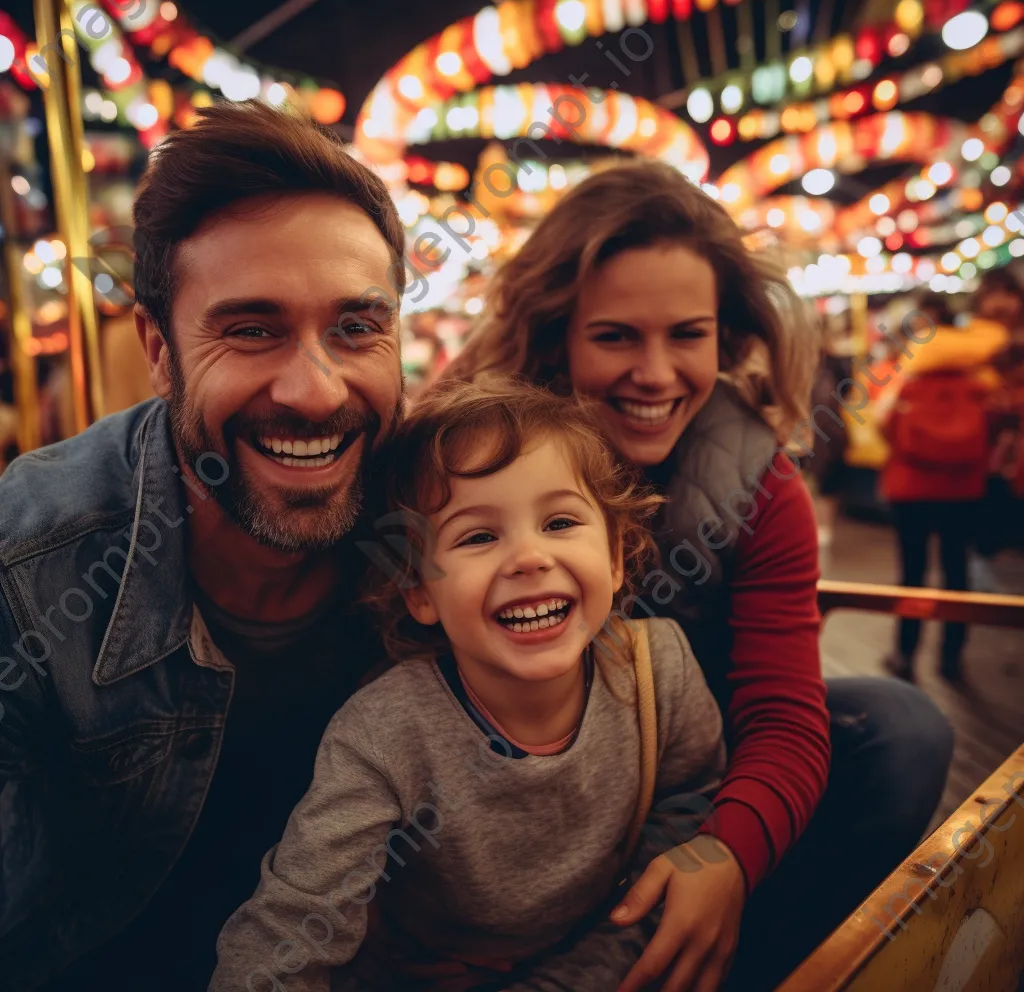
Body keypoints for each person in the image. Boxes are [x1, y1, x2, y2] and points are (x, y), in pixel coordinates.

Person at [444, 160, 955, 991]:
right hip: (499, 800)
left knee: (898, 726)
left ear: (730, 335)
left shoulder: (762, 483)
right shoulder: (463, 455)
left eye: (687, 334)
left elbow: (784, 713)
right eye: (615, 336)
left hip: (682, 787)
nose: (655, 374)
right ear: (556, 334)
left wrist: (725, 854)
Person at [0, 101, 408, 991]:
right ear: (158, 348)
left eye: (356, 326)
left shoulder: (449, 514)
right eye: (252, 329)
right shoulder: (30, 561)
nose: (314, 389)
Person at [211, 376, 727, 992]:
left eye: (561, 522)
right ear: (420, 592)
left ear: (615, 557)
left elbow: (689, 813)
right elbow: (290, 929)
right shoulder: (384, 733)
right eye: (479, 536)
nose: (529, 558)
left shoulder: (658, 670)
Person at [878, 293, 1010, 681]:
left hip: (911, 489)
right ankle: (952, 655)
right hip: (962, 488)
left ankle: (905, 652)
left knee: (912, 573)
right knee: (957, 574)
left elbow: (885, 426)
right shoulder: (981, 381)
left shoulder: (907, 378)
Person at [971, 268, 1024, 560]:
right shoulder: (971, 341)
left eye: (1007, 295)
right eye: (992, 296)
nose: (999, 304)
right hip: (987, 454)